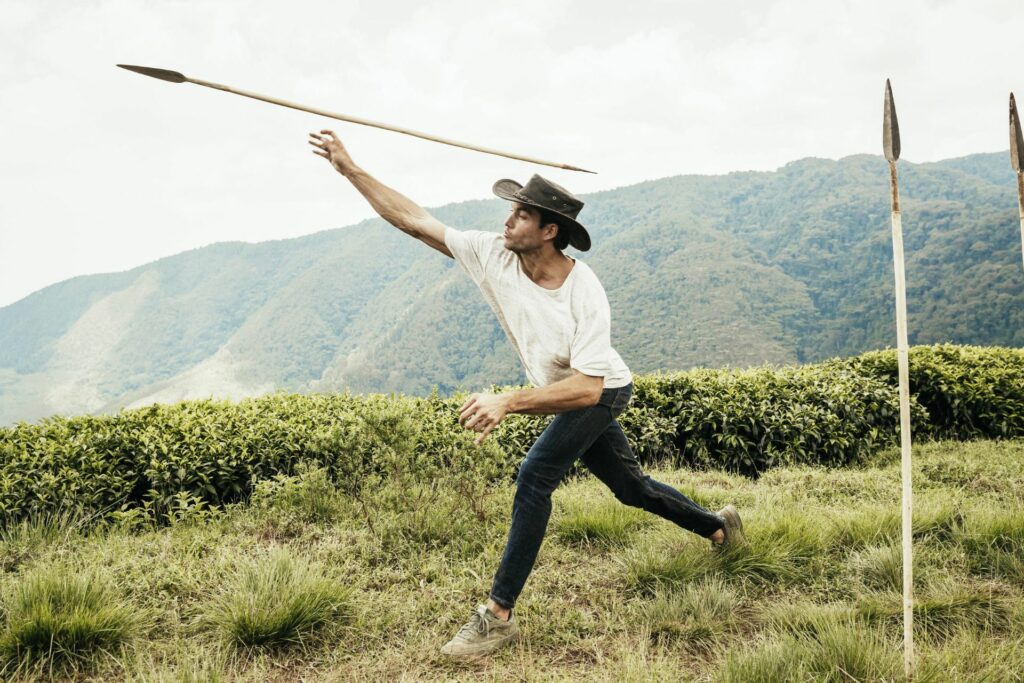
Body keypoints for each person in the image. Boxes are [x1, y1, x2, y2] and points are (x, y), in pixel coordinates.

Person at [308, 129, 746, 657]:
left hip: (601, 390)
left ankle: (497, 616)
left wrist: (507, 401)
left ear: (548, 230)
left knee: (535, 476)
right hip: (567, 391)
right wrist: (351, 169)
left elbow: (587, 387)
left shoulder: (584, 291)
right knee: (630, 488)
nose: (507, 221)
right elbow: (413, 220)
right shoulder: (493, 254)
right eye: (510, 212)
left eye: (520, 215)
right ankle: (719, 528)